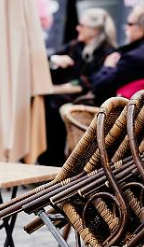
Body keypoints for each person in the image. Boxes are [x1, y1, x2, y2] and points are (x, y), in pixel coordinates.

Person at [39, 8, 117, 166]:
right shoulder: (74, 46)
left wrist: (74, 84)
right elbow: (46, 61)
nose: (77, 28)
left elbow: (98, 79)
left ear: (94, 30)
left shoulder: (108, 52)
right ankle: (45, 160)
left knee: (54, 109)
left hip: (87, 101)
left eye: (82, 25)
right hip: (62, 97)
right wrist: (55, 60)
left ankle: (54, 165)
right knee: (43, 105)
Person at [89, 4, 144, 106]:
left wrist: (108, 67)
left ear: (142, 29)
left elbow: (99, 89)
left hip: (117, 116)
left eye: (130, 24)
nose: (126, 28)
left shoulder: (133, 58)